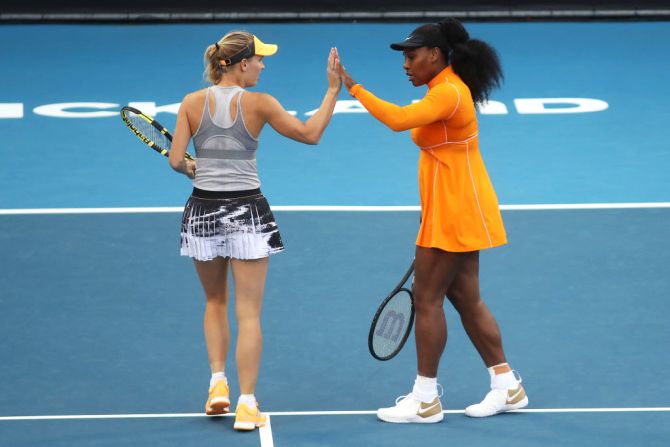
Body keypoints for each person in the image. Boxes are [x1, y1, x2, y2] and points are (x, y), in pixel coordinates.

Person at [337, 18, 528, 423]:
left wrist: (351, 86)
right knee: (465, 299)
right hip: (455, 205)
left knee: (427, 300)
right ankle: (507, 385)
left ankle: (426, 400)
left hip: (455, 210)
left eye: (411, 56)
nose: (405, 64)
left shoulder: (448, 93)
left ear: (435, 55)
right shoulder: (444, 89)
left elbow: (395, 120)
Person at [168, 31, 341, 431]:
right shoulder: (260, 104)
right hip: (248, 213)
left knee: (214, 302)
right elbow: (310, 134)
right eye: (260, 60)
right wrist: (332, 91)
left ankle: (217, 386)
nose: (263, 66)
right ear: (242, 64)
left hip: (202, 213)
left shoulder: (192, 103)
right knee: (249, 315)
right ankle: (246, 404)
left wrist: (194, 167)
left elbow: (177, 159)